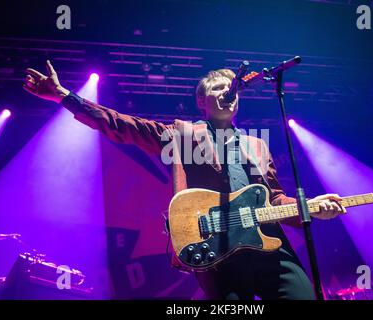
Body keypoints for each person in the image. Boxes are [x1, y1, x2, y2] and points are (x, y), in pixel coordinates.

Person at [23, 60, 347, 300]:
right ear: (201, 102)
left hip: (269, 247)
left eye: (230, 89)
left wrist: (310, 207)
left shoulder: (256, 145)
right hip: (218, 253)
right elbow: (124, 125)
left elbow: (274, 198)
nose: (227, 93)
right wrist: (65, 96)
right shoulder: (183, 135)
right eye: (218, 89)